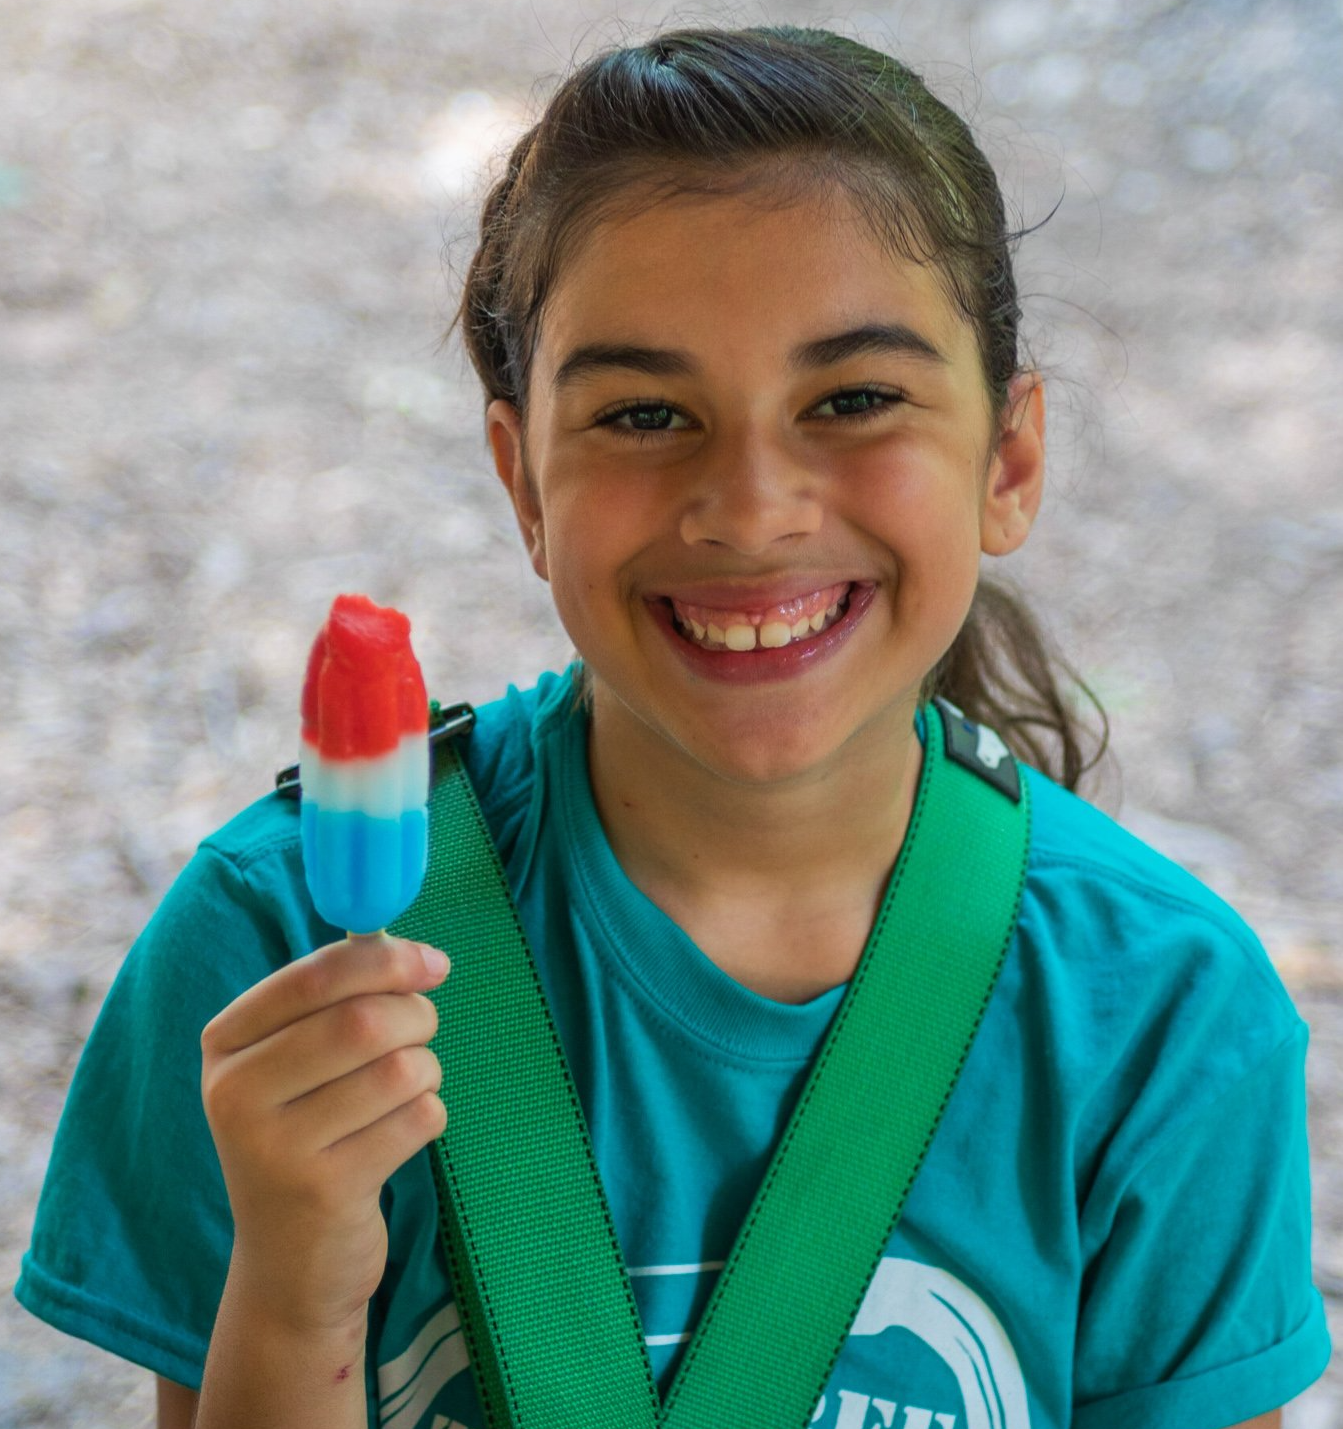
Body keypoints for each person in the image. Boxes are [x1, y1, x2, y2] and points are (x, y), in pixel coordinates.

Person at [14, 23, 1331, 1429]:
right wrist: (293, 1287)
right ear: (522, 482)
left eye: (855, 400)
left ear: (1006, 460)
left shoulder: (1161, 1018)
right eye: (645, 412)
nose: (752, 508)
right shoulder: (278, 950)